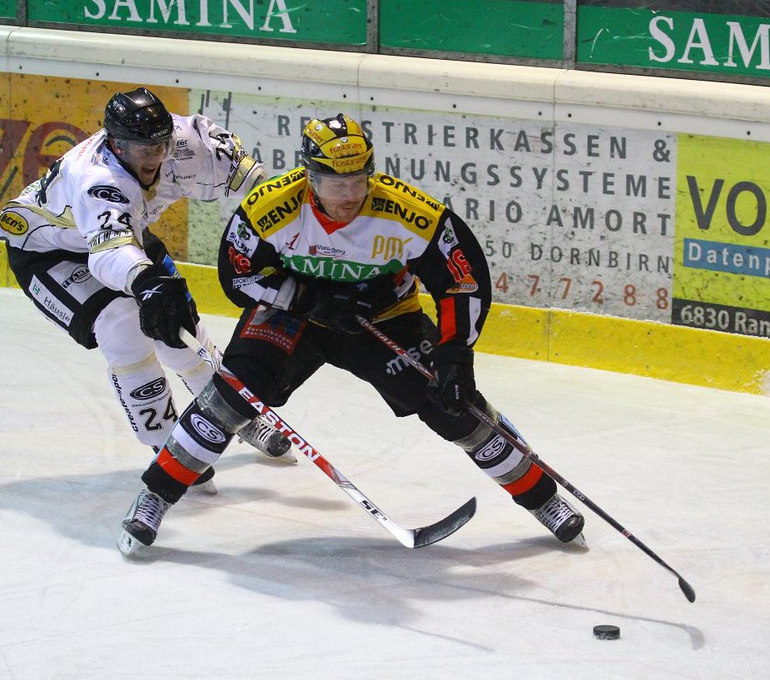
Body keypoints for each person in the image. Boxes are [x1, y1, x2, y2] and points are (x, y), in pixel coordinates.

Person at [116, 113, 583, 556]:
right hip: (294, 317)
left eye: (359, 181)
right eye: (337, 184)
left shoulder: (409, 212)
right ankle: (155, 496)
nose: (350, 195)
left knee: (454, 404)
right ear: (310, 177)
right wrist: (309, 299)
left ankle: (543, 499)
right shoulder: (271, 208)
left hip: (384, 318)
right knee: (231, 397)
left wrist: (456, 353)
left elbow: (462, 281)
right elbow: (238, 276)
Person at [0, 87, 292, 494]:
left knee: (181, 331)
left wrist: (296, 226)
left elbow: (260, 187)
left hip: (127, 237)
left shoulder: (186, 143)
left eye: (159, 144)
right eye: (142, 148)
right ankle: (169, 444)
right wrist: (147, 283)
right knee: (122, 326)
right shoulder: (96, 179)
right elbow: (108, 253)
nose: (154, 155)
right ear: (116, 145)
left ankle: (234, 413)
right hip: (48, 253)